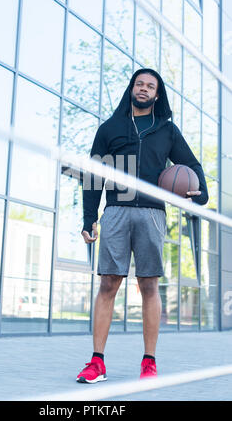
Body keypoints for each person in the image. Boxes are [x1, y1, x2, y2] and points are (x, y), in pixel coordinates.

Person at [77, 68, 209, 383]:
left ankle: (149, 363)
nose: (144, 88)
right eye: (140, 83)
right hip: (117, 211)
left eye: (151, 86)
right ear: (132, 88)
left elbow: (191, 165)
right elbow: (94, 175)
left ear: (157, 94)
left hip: (152, 213)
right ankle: (96, 362)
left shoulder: (167, 130)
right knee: (108, 284)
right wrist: (88, 218)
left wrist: (200, 193)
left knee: (148, 286)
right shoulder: (111, 128)